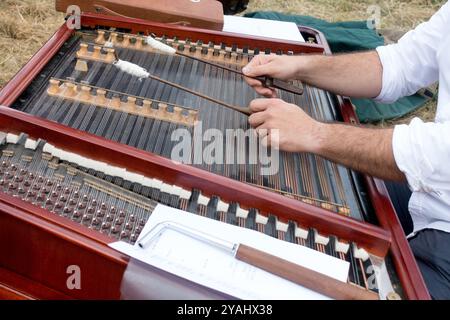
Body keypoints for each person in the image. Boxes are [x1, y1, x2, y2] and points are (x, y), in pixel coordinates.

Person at [242, 1, 450, 299]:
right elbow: (399, 65)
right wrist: (300, 66)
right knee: (308, 190)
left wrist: (315, 133)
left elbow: (441, 155)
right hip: (434, 196)